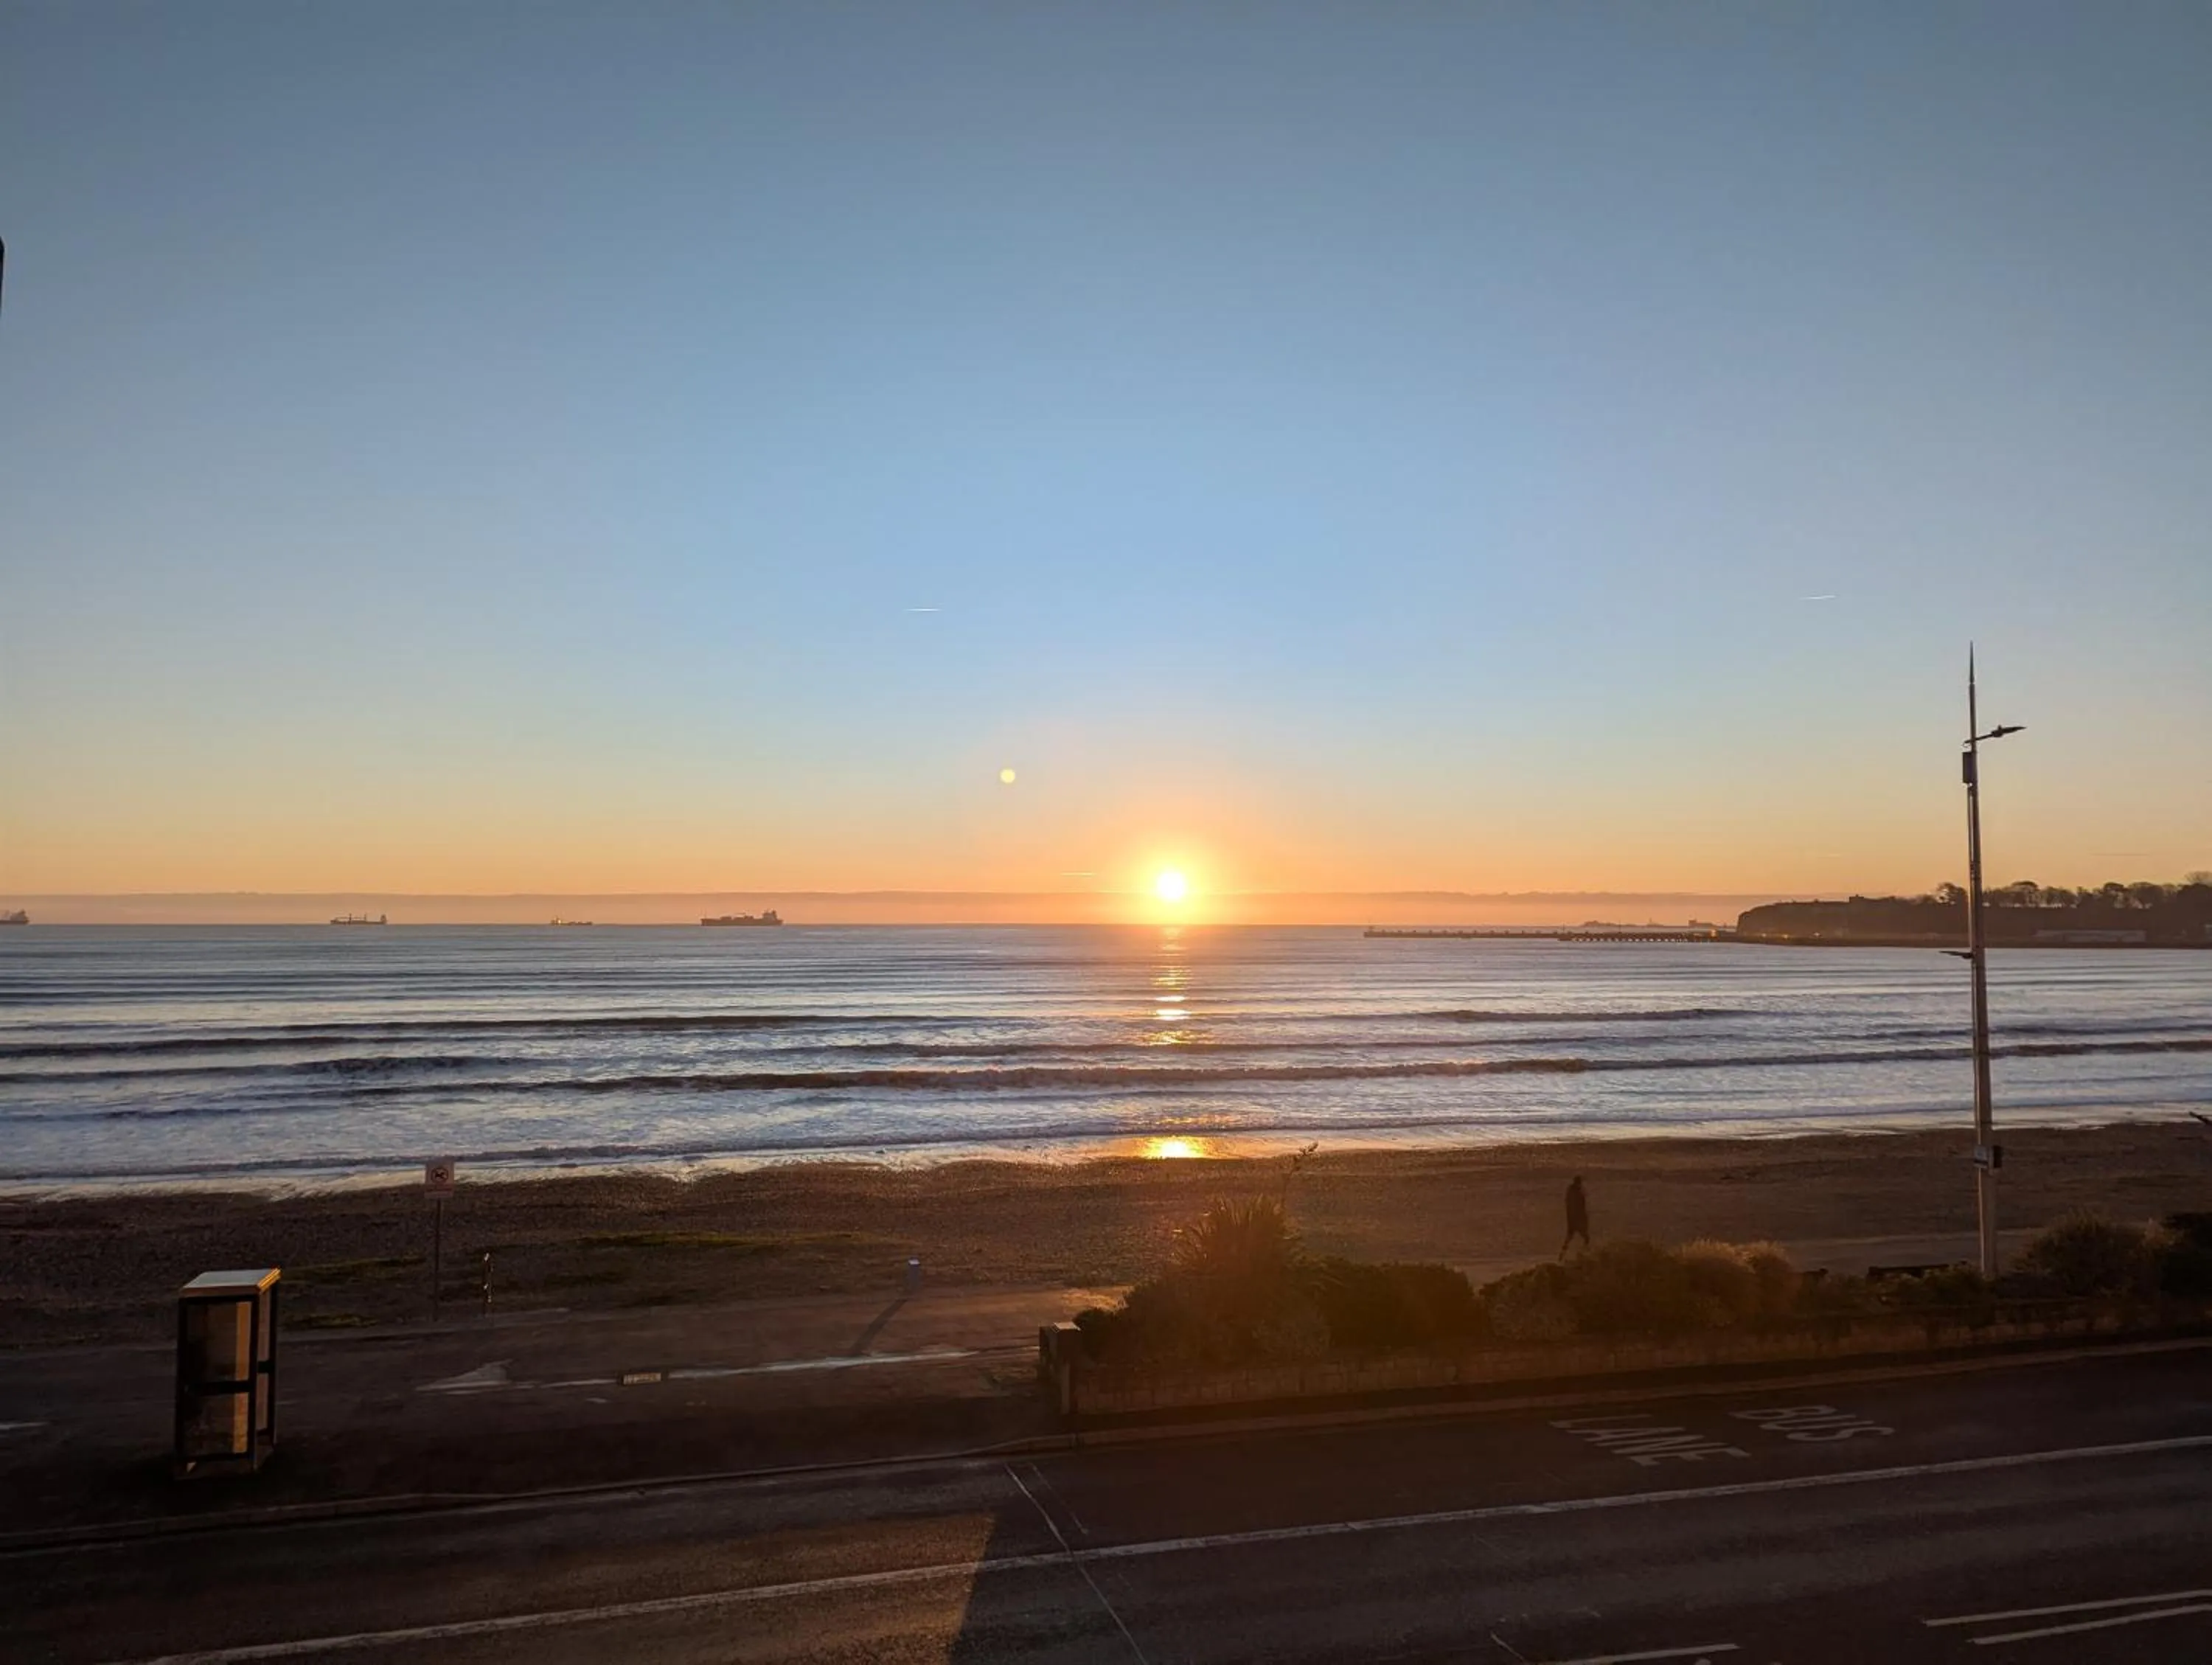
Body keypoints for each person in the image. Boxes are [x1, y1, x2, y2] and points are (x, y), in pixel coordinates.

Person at [1559, 1175, 1590, 1259]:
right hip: (1576, 1219)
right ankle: (1584, 1253)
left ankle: (1562, 1255)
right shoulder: (1576, 1192)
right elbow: (1580, 1207)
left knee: (1569, 1238)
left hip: (1572, 1218)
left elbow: (1570, 1206)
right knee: (1585, 1238)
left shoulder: (1572, 1192)